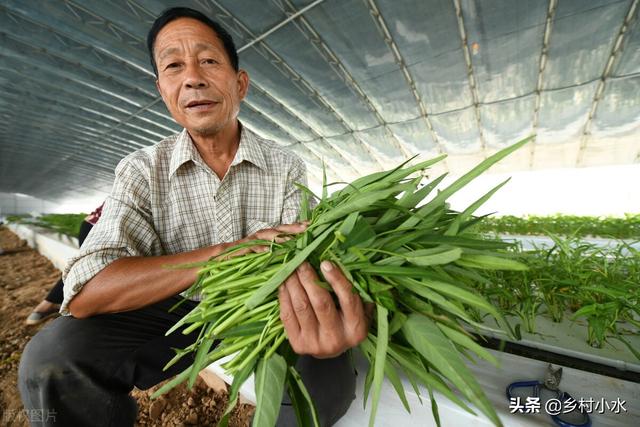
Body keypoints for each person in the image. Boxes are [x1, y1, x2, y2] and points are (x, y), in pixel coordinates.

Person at [19, 7, 369, 427]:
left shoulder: (285, 166)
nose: (193, 77)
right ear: (164, 90)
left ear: (240, 84)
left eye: (208, 61)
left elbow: (300, 259)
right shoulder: (141, 169)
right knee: (52, 359)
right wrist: (223, 255)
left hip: (262, 312)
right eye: (173, 66)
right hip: (175, 316)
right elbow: (87, 289)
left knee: (324, 387)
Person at [25, 204, 103, 325]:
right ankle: (49, 305)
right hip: (99, 229)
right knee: (90, 267)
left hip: (91, 224)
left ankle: (46, 306)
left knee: (89, 266)